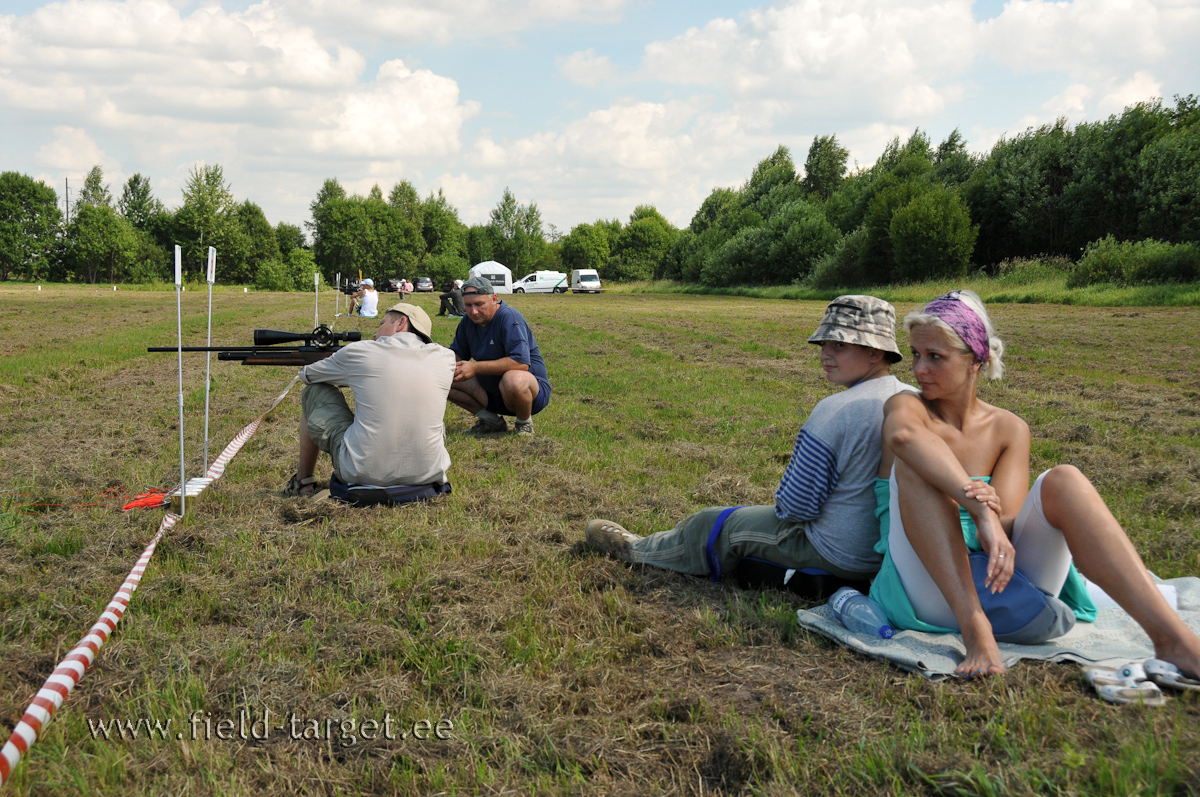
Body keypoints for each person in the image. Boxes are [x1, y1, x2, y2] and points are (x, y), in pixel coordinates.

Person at [873, 289, 1200, 679]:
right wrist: (978, 506)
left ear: (977, 360)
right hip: (925, 588)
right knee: (915, 464)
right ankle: (976, 631)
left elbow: (1008, 528)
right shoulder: (907, 406)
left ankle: (1173, 640)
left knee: (1064, 479)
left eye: (935, 357)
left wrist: (993, 520)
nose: (919, 369)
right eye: (916, 354)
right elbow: (903, 439)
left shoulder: (1008, 428)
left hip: (1001, 585)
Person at [585, 295, 914, 584]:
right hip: (897, 559)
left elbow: (794, 508)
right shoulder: (914, 399)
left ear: (874, 352)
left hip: (839, 555)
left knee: (714, 523)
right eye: (823, 344)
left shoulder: (836, 411)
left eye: (839, 345)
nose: (825, 354)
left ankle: (636, 550)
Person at [285, 303, 454, 497]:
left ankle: (303, 481)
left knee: (313, 392)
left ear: (401, 323)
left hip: (361, 472)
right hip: (428, 473)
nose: (375, 334)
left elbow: (308, 375)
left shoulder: (361, 351)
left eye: (382, 324)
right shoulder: (446, 357)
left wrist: (343, 365)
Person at [448, 276, 550, 437]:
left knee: (513, 379)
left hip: (528, 393)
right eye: (468, 305)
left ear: (494, 299)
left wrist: (475, 367)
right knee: (442, 375)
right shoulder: (468, 321)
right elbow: (456, 354)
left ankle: (524, 423)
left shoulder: (509, 317)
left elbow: (521, 363)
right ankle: (490, 421)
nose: (473, 311)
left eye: (479, 304)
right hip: (490, 391)